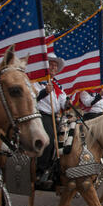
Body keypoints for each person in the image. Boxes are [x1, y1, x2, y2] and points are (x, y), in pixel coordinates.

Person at [33, 53, 69, 186]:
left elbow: (62, 102)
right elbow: (31, 98)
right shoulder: (36, 81)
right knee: (48, 140)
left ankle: (53, 170)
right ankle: (39, 171)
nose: (53, 67)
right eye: (51, 64)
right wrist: (44, 92)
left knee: (62, 142)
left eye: (55, 65)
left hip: (55, 117)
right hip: (41, 115)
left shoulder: (57, 86)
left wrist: (67, 103)